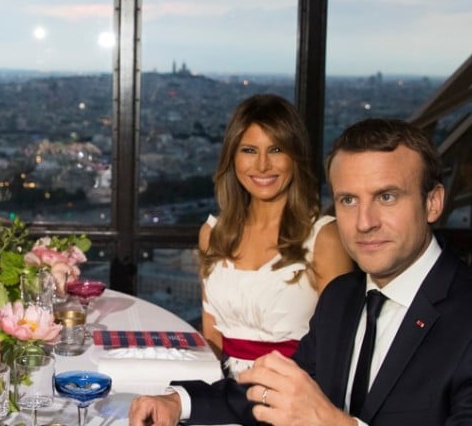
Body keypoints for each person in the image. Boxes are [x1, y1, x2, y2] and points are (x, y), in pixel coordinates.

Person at [129, 117, 472, 426]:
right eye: (348, 200)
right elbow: (281, 393)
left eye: (386, 197)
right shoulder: (343, 296)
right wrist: (180, 402)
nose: (364, 223)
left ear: (433, 203)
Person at [199, 94, 352, 377]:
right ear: (231, 157)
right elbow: (212, 337)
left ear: (296, 156)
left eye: (276, 150)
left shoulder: (325, 239)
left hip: (295, 398)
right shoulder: (213, 234)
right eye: (248, 150)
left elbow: (337, 350)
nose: (261, 166)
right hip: (220, 396)